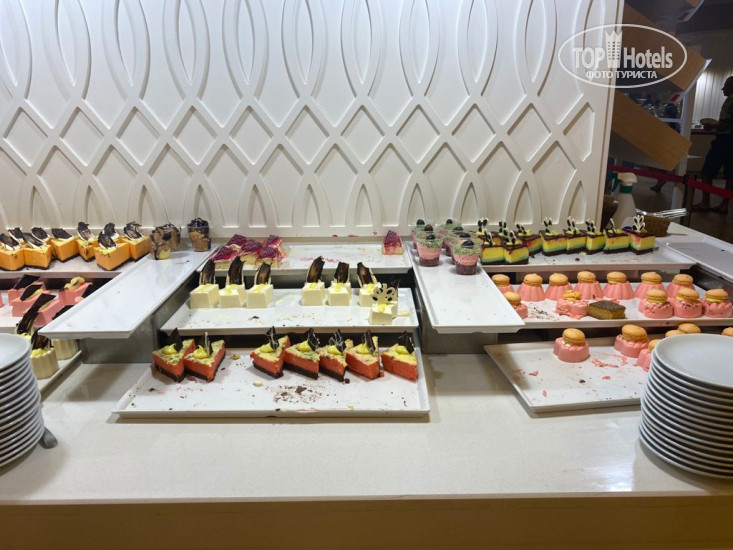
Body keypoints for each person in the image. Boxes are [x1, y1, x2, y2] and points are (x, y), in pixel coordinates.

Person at [693, 76, 733, 214]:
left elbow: (725, 124)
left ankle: (705, 202)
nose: (723, 88)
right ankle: (724, 205)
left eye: (726, 85)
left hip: (724, 142)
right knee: (730, 175)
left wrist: (712, 126)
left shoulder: (730, 101)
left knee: (707, 171)